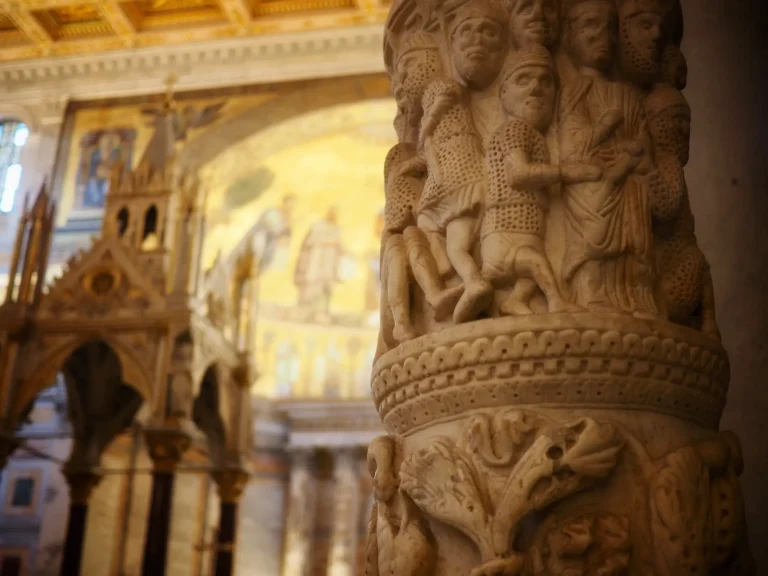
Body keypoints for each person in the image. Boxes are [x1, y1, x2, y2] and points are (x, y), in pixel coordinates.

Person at [559, 0, 658, 316]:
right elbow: (573, 149)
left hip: (626, 180)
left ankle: (636, 294)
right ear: (571, 37)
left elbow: (645, 151)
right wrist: (604, 129)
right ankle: (590, 291)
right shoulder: (571, 92)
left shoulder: (627, 94)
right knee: (594, 221)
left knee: (634, 202)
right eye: (590, 26)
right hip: (590, 182)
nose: (600, 36)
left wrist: (624, 163)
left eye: (607, 29)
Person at [481, 46, 596, 314]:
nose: (536, 88)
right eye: (523, 80)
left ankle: (515, 301)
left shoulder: (535, 135)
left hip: (527, 228)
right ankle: (556, 301)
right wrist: (566, 172)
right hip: (505, 232)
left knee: (532, 267)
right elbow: (518, 174)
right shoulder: (515, 129)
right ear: (503, 93)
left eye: (546, 82)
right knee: (536, 262)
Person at [417, 0, 508, 324]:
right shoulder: (450, 114)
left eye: (487, 32)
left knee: (437, 231)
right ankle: (465, 280)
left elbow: (438, 108)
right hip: (461, 180)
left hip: (460, 178)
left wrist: (425, 125)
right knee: (445, 239)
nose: (476, 41)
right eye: (465, 32)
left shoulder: (446, 91)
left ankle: (467, 280)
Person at [381, 31, 462, 343]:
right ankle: (405, 318)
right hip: (412, 234)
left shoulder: (447, 131)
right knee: (400, 247)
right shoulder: (402, 155)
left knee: (412, 239)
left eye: (412, 67)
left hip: (439, 223)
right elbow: (399, 213)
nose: (403, 82)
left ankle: (434, 297)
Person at [646, 85, 719, 337]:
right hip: (663, 267)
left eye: (687, 122)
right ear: (656, 124)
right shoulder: (663, 162)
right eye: (677, 120)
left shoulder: (666, 163)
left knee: (696, 264)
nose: (684, 129)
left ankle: (706, 322)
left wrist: (646, 171)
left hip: (675, 266)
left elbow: (665, 207)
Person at [294, 207, 345, 316]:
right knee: (311, 288)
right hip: (315, 263)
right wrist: (327, 242)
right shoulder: (318, 226)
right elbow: (309, 242)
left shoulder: (337, 229)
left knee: (324, 290)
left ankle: (320, 314)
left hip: (328, 266)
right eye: (332, 213)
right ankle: (304, 312)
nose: (333, 216)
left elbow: (341, 246)